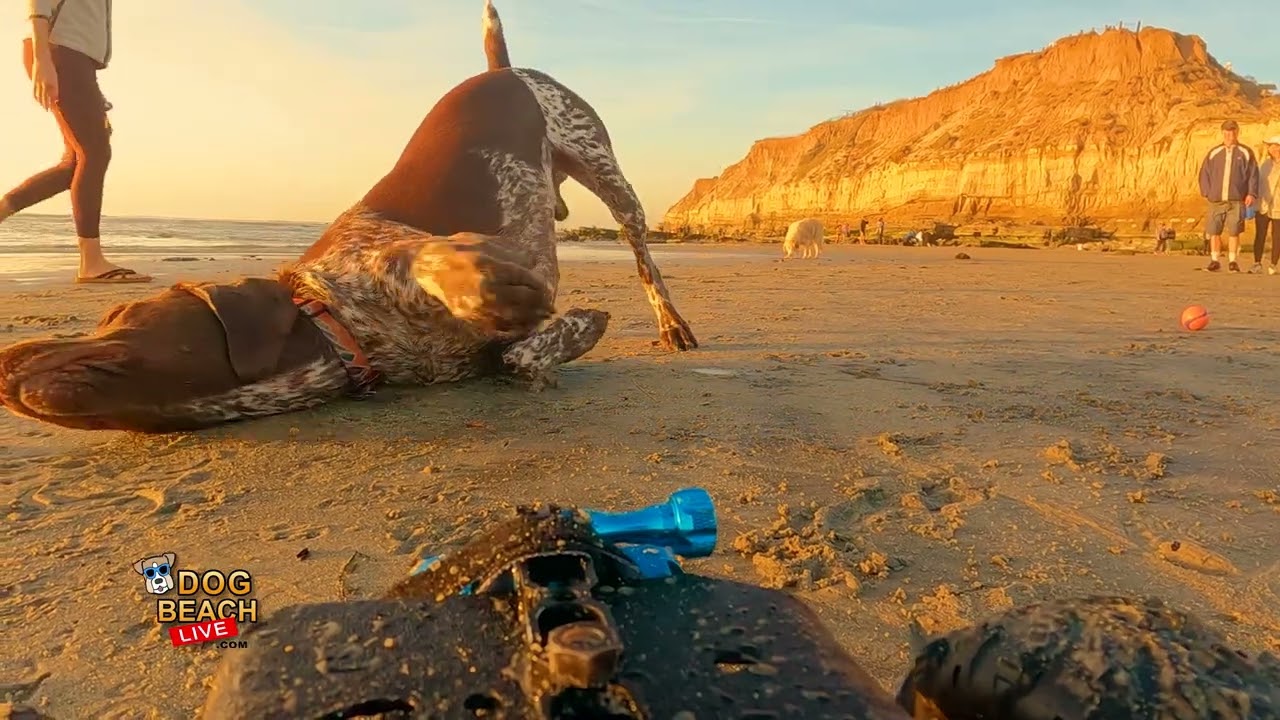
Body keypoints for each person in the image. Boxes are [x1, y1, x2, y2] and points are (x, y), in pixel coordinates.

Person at [0, 1, 151, 283]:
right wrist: (43, 60)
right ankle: (91, 262)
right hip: (60, 54)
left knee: (74, 163)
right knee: (94, 154)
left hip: (72, 58)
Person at [1196, 119, 1259, 273]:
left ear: (1237, 132)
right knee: (1214, 230)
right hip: (1216, 199)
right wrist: (1207, 191)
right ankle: (1215, 260)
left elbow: (1253, 174)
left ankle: (1232, 261)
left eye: (1233, 131)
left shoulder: (1245, 152)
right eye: (1227, 131)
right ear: (1223, 132)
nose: (1230, 134)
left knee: (1234, 231)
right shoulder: (1214, 152)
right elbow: (1204, 173)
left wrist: (1251, 193)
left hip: (1237, 199)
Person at [1253, 135, 1280, 275]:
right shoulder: (1265, 164)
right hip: (1263, 204)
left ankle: (1273, 264)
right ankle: (1257, 263)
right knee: (1260, 235)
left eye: (1277, 146)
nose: (1275, 149)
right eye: (1272, 146)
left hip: (1278, 206)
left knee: (1277, 237)